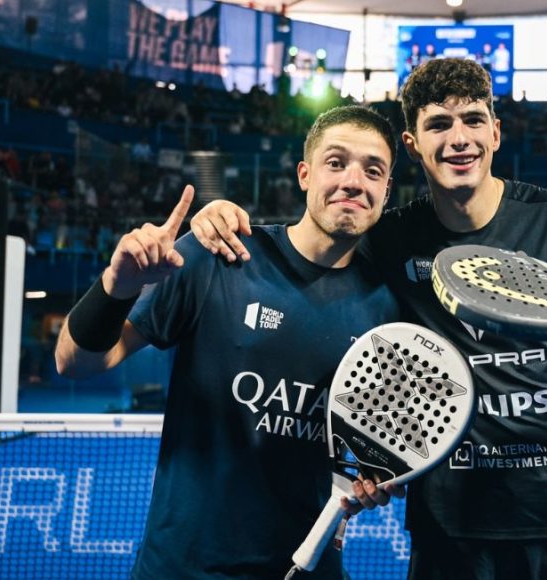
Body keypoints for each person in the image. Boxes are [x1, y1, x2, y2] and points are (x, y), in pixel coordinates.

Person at [191, 58, 547, 579]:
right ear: (411, 144)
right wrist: (221, 215)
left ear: (495, 133)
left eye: (474, 120)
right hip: (450, 526)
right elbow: (310, 247)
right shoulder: (390, 239)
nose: (460, 138)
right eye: (439, 124)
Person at [55, 105, 403, 580]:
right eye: (336, 162)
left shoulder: (389, 311)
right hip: (182, 569)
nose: (353, 181)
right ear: (305, 174)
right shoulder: (219, 255)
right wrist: (116, 287)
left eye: (373, 170)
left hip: (304, 570)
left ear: (386, 190)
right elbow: (73, 363)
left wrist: (371, 480)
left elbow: (364, 453)